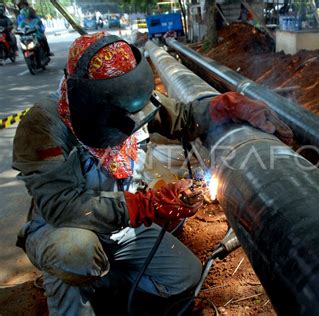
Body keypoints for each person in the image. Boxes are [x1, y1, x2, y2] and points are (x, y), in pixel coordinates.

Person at [12, 32, 293, 314]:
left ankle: (106, 285)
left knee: (185, 276)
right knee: (76, 252)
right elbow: (63, 207)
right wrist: (147, 205)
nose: (129, 121)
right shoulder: (43, 126)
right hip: (59, 229)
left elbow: (183, 117)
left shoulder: (130, 100)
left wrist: (226, 107)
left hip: (120, 228)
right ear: (89, 98)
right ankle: (72, 291)